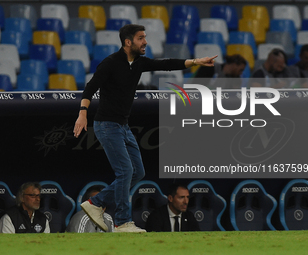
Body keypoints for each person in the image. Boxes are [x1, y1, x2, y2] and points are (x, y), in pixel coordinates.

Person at [73, 24, 216, 233]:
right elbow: (90, 87)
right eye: (141, 38)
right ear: (128, 42)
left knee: (137, 172)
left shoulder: (138, 63)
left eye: (145, 37)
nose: (145, 42)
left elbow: (167, 64)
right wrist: (83, 112)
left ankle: (96, 202)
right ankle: (122, 222)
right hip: (107, 125)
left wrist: (196, 62)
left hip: (123, 126)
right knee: (125, 171)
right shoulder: (110, 63)